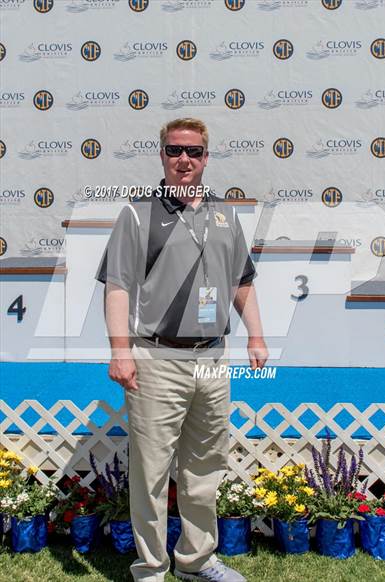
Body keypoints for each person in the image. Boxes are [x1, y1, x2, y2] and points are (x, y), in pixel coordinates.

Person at [96, 118, 267, 582]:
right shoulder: (137, 214)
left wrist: (255, 334)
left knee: (204, 466)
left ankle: (196, 562)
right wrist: (120, 351)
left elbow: (241, 282)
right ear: (162, 156)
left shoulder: (226, 214)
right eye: (174, 151)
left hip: (212, 358)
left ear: (206, 157)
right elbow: (117, 287)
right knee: (150, 471)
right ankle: (150, 568)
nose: (184, 160)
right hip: (156, 358)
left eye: (193, 152)